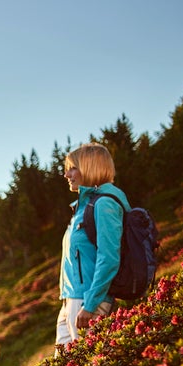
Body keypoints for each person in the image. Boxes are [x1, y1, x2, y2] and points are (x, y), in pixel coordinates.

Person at [57, 142, 125, 345]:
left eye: (72, 168)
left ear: (89, 167)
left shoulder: (105, 204)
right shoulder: (83, 206)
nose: (66, 174)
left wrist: (90, 304)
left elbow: (109, 257)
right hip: (71, 301)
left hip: (88, 301)